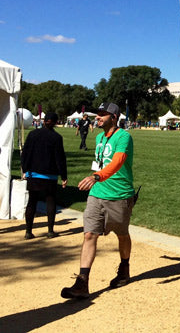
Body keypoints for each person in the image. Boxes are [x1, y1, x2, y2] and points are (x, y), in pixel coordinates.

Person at [61, 102, 135, 300]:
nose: (98, 117)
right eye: (98, 114)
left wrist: (96, 176)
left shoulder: (124, 137)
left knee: (122, 234)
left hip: (119, 195)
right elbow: (101, 162)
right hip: (97, 193)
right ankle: (82, 283)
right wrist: (96, 180)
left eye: (103, 114)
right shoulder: (100, 137)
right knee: (89, 235)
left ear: (114, 117)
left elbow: (118, 161)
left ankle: (124, 268)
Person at [21, 112, 68, 239]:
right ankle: (50, 230)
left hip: (33, 173)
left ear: (44, 120)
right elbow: (60, 159)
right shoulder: (56, 138)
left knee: (32, 202)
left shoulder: (32, 134)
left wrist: (25, 169)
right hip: (49, 175)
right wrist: (64, 176)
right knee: (50, 201)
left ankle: (28, 231)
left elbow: (25, 153)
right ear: (55, 122)